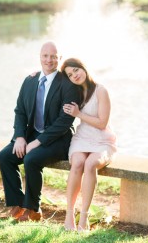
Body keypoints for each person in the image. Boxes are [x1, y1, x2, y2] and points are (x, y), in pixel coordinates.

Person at [0, 42, 82, 222]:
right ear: (40, 57)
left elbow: (64, 122)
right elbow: (20, 110)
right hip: (31, 134)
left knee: (32, 159)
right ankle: (17, 204)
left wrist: (38, 142)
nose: (49, 60)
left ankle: (33, 209)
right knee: (5, 156)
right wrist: (20, 137)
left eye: (53, 56)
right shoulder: (30, 80)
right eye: (45, 56)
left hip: (58, 139)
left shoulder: (68, 85)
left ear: (59, 59)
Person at [58, 58, 117, 231]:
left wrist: (78, 114)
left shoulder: (101, 91)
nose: (74, 75)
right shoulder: (74, 92)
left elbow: (102, 123)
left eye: (76, 70)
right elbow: (53, 82)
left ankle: (84, 216)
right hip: (82, 138)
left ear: (83, 68)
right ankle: (69, 215)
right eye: (69, 74)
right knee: (77, 163)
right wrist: (36, 74)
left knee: (90, 164)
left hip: (102, 140)